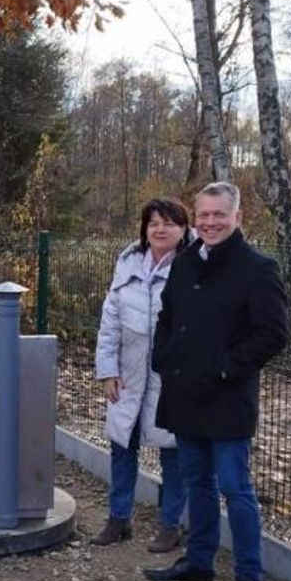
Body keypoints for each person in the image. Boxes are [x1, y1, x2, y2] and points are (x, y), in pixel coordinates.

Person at [143, 181, 289, 581]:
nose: (210, 222)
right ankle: (199, 561)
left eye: (218, 215)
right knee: (197, 481)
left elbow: (273, 334)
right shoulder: (185, 262)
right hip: (185, 392)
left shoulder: (258, 268)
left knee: (235, 487)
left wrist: (226, 367)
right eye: (204, 215)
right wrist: (163, 358)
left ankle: (249, 578)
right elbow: (167, 317)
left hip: (227, 398)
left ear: (237, 217)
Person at [92, 197, 192, 551]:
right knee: (122, 445)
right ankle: (119, 519)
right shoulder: (128, 263)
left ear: (183, 229)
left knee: (173, 452)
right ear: (144, 229)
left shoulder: (194, 265)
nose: (160, 229)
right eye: (153, 223)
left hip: (173, 377)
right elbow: (110, 322)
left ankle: (171, 524)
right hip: (130, 374)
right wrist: (108, 371)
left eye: (169, 223)